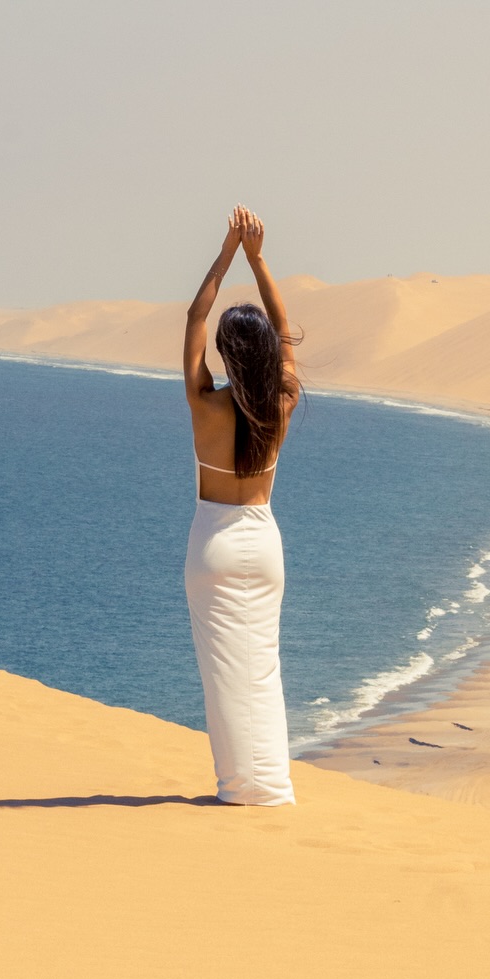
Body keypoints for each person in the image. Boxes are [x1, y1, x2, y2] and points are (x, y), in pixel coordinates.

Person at [182, 206, 301, 806]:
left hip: (215, 541)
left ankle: (237, 787)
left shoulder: (205, 404)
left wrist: (227, 251)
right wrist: (258, 257)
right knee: (264, 670)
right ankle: (271, 786)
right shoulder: (280, 404)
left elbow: (195, 315)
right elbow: (283, 329)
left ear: (227, 354)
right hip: (265, 543)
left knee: (223, 673)